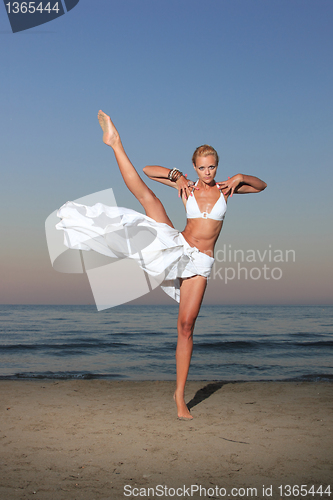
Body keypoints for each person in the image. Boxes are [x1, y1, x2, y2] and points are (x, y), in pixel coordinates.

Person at [58, 110, 267, 419]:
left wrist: (241, 178)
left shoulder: (226, 189)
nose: (208, 172)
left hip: (202, 263)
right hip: (179, 245)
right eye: (202, 167)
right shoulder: (189, 188)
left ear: (217, 167)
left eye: (212, 167)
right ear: (195, 167)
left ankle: (178, 395)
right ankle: (115, 143)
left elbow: (261, 186)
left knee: (186, 326)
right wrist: (176, 176)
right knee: (148, 198)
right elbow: (148, 170)